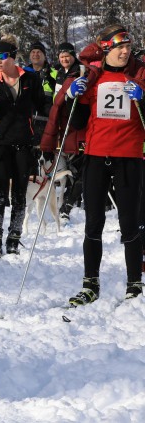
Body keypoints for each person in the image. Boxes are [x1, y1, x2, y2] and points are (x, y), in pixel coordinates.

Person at [62, 25, 145, 304]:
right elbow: (75, 122)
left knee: (129, 222)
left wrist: (143, 100)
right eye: (120, 47)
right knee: (93, 222)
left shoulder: (140, 75)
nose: (125, 52)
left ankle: (134, 283)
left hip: (129, 158)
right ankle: (90, 284)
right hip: (96, 157)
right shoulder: (93, 78)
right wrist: (71, 96)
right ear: (107, 49)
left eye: (128, 47)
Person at [0, 37, 51, 256]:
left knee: (19, 194)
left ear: (13, 57)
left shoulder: (30, 79)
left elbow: (43, 105)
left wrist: (54, 112)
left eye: (2, 57)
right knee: (0, 193)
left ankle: (14, 238)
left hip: (24, 144)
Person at [45, 41, 87, 221]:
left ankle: (69, 203)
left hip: (77, 124)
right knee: (71, 167)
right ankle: (71, 200)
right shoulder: (60, 73)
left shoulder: (80, 71)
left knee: (81, 168)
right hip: (63, 124)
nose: (64, 59)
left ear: (73, 55)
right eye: (61, 56)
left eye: (67, 56)